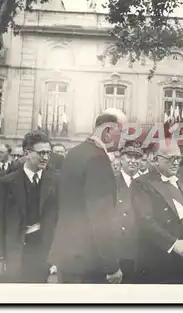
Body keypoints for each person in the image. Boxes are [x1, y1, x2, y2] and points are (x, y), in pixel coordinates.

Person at [47, 109, 126, 284]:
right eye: (120, 133)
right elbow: (101, 216)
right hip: (89, 261)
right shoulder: (98, 159)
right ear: (107, 132)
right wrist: (112, 266)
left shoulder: (74, 153)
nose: (122, 138)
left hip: (67, 257)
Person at [0, 130, 59, 283]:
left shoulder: (55, 181)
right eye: (41, 153)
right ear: (27, 153)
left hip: (44, 255)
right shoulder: (6, 183)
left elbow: (61, 221)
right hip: (14, 253)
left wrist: (57, 258)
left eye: (48, 153)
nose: (45, 157)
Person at [131, 139, 183, 284]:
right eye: (170, 158)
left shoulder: (181, 183)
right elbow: (144, 220)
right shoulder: (142, 183)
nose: (175, 163)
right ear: (156, 159)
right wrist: (174, 244)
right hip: (158, 262)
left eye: (178, 159)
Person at [114, 142, 144, 284]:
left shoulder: (147, 184)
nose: (133, 161)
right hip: (117, 250)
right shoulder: (110, 182)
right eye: (129, 156)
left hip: (142, 251)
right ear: (121, 159)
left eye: (137, 157)